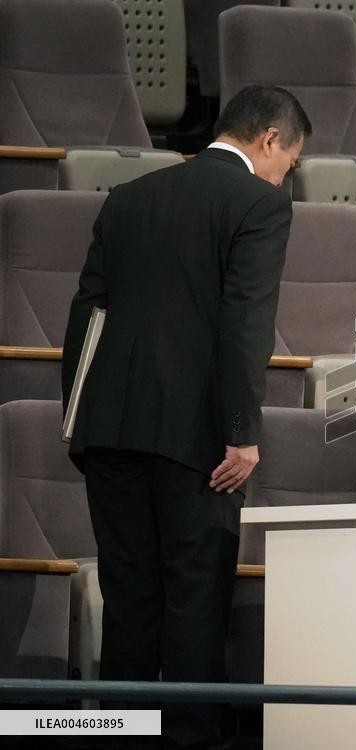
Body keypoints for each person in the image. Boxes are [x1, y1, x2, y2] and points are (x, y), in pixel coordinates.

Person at [62, 85, 310, 747]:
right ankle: (190, 740)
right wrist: (243, 432)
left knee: (129, 600)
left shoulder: (129, 197)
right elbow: (245, 323)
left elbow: (86, 316)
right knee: (195, 598)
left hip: (109, 431)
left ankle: (117, 736)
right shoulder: (259, 202)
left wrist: (79, 424)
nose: (285, 178)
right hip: (197, 440)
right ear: (269, 140)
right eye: (289, 163)